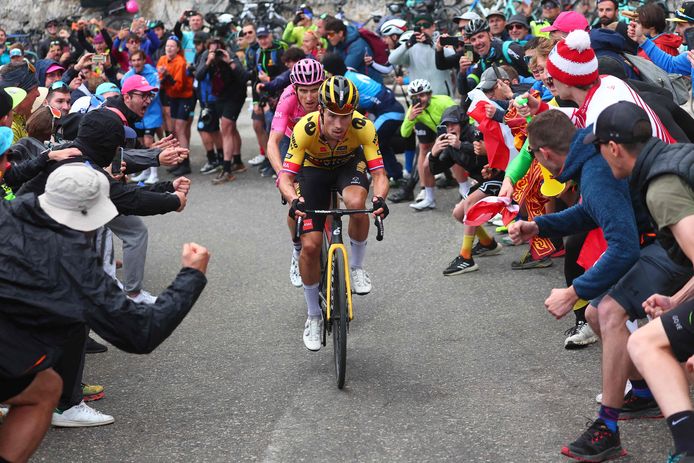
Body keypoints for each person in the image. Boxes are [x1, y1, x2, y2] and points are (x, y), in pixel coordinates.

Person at [0, 163, 209, 463]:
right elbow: (141, 332)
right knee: (46, 388)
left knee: (46, 385)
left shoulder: (10, 210)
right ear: (87, 216)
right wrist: (191, 275)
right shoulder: (74, 262)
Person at [586, 102, 694, 463]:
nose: (600, 156)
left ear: (614, 148)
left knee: (646, 344)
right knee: (650, 339)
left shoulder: (661, 188)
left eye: (599, 147)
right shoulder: (675, 157)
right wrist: (678, 298)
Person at [277, 76, 389, 351]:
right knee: (311, 245)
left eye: (346, 117)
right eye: (333, 117)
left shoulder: (364, 127)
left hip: (348, 167)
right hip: (312, 172)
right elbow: (285, 177)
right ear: (321, 111)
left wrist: (380, 199)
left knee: (356, 202)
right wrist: (294, 200)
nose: (339, 125)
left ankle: (357, 268)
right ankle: (313, 316)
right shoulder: (305, 128)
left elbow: (380, 174)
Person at [266, 58, 324, 287]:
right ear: (295, 88)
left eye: (314, 90)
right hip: (292, 142)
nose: (309, 97)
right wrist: (282, 176)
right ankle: (297, 246)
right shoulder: (288, 98)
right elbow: (273, 142)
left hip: (321, 142)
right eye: (304, 91)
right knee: (296, 203)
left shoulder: (328, 95)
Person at [429, 105, 504, 275]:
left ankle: (466, 257)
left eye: (453, 124)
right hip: (484, 182)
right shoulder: (450, 145)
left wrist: (461, 144)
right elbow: (435, 170)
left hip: (500, 176)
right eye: (446, 126)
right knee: (458, 213)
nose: (449, 129)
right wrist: (433, 154)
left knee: (470, 202)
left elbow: (484, 152)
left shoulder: (474, 132)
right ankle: (488, 244)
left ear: (462, 123)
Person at [399, 79, 457, 210]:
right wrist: (410, 119)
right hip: (430, 128)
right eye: (415, 97)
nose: (419, 100)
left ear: (430, 94)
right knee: (424, 151)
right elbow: (404, 133)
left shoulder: (443, 101)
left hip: (450, 129)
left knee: (455, 151)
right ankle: (426, 192)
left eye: (422, 95)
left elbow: (461, 116)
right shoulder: (413, 110)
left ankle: (464, 190)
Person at [196, 39, 248, 185]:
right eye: (212, 51)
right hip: (220, 95)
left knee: (226, 127)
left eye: (218, 50)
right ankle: (237, 162)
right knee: (230, 128)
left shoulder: (230, 55)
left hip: (235, 95)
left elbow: (244, 77)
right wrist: (208, 61)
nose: (215, 54)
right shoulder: (206, 56)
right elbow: (198, 76)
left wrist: (230, 61)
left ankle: (227, 170)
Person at [458, 19, 529, 97]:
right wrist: (462, 72)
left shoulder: (508, 49)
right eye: (473, 40)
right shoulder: (482, 63)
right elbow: (466, 90)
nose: (477, 42)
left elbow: (536, 73)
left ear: (490, 35)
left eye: (480, 37)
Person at [122, 50, 163, 184]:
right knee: (139, 143)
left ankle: (154, 174)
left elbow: (153, 93)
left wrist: (140, 99)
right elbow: (123, 90)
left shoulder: (152, 74)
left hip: (151, 114)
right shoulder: (128, 75)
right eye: (133, 60)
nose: (136, 63)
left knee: (148, 142)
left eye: (138, 60)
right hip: (136, 115)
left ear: (144, 60)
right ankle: (145, 171)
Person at [389, 14, 453, 96]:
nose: (422, 28)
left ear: (433, 27)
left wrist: (432, 45)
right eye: (418, 26)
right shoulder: (411, 48)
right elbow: (392, 60)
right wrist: (407, 44)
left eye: (425, 25)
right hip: (420, 98)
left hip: (442, 96)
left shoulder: (441, 41)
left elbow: (452, 57)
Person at [157, 36, 194, 176]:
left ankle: (185, 163)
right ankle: (178, 161)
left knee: (180, 129)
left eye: (172, 46)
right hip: (172, 97)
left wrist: (167, 76)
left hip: (184, 97)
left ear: (178, 49)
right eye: (167, 46)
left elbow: (178, 87)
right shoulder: (162, 60)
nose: (169, 48)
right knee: (173, 130)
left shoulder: (181, 62)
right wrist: (163, 77)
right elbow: (158, 79)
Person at [323, 17, 383, 84]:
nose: (328, 37)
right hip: (358, 82)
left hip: (371, 85)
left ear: (340, 33)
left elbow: (344, 72)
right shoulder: (339, 43)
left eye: (331, 34)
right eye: (327, 34)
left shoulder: (357, 46)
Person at [0, 62, 40, 143]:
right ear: (22, 94)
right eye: (35, 89)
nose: (38, 94)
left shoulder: (20, 116)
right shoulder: (9, 130)